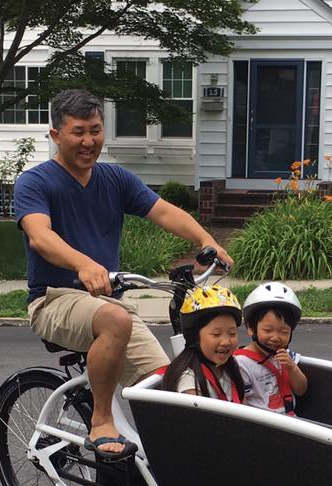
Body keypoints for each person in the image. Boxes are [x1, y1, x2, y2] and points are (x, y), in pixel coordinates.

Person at [14, 88, 233, 461]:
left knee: (169, 386)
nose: (89, 141)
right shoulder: (36, 182)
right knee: (116, 317)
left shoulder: (114, 179)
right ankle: (101, 422)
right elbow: (40, 235)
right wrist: (83, 264)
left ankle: (169, 472)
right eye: (78, 132)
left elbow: (164, 212)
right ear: (55, 135)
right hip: (54, 299)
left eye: (95, 130)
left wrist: (205, 240)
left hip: (106, 301)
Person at [234, 282, 308, 415]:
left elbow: (301, 390)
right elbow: (240, 404)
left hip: (291, 420)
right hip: (264, 424)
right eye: (268, 330)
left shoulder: (287, 356)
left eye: (284, 332)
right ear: (251, 329)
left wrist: (292, 367)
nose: (275, 338)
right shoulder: (242, 363)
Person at [160, 285, 244, 401]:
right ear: (194, 336)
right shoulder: (190, 380)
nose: (226, 342)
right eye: (216, 334)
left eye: (232, 333)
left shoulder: (230, 368)